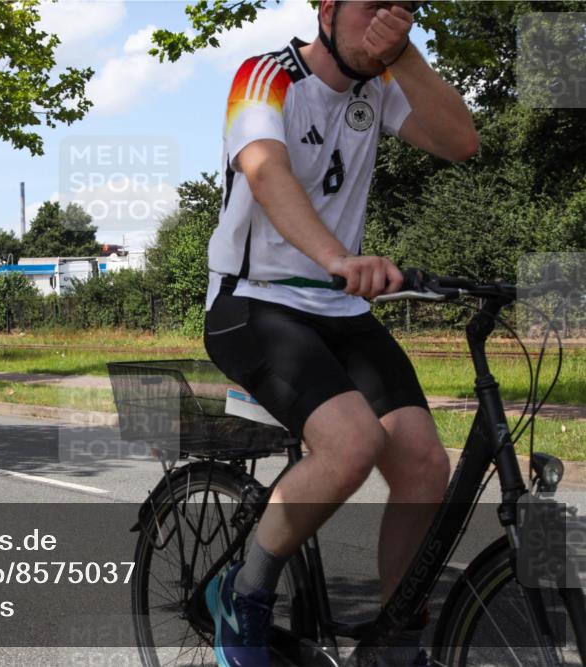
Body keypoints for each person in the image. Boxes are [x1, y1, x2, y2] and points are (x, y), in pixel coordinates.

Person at [202, 1, 478, 665]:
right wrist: (336, 258)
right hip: (254, 303)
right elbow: (266, 171)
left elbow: (462, 142)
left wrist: (403, 54)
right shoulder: (262, 76)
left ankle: (393, 645)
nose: (385, 19)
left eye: (400, 8)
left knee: (422, 463)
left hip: (340, 312)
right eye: (370, 7)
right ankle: (243, 592)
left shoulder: (380, 86)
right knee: (351, 445)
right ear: (326, 8)